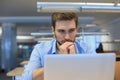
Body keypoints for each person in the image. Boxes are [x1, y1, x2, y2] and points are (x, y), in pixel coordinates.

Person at [22, 12, 96, 80]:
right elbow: (26, 78)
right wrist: (60, 61)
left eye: (71, 30)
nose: (67, 37)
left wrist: (74, 60)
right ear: (53, 30)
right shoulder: (40, 49)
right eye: (61, 31)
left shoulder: (86, 49)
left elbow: (97, 75)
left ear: (76, 29)